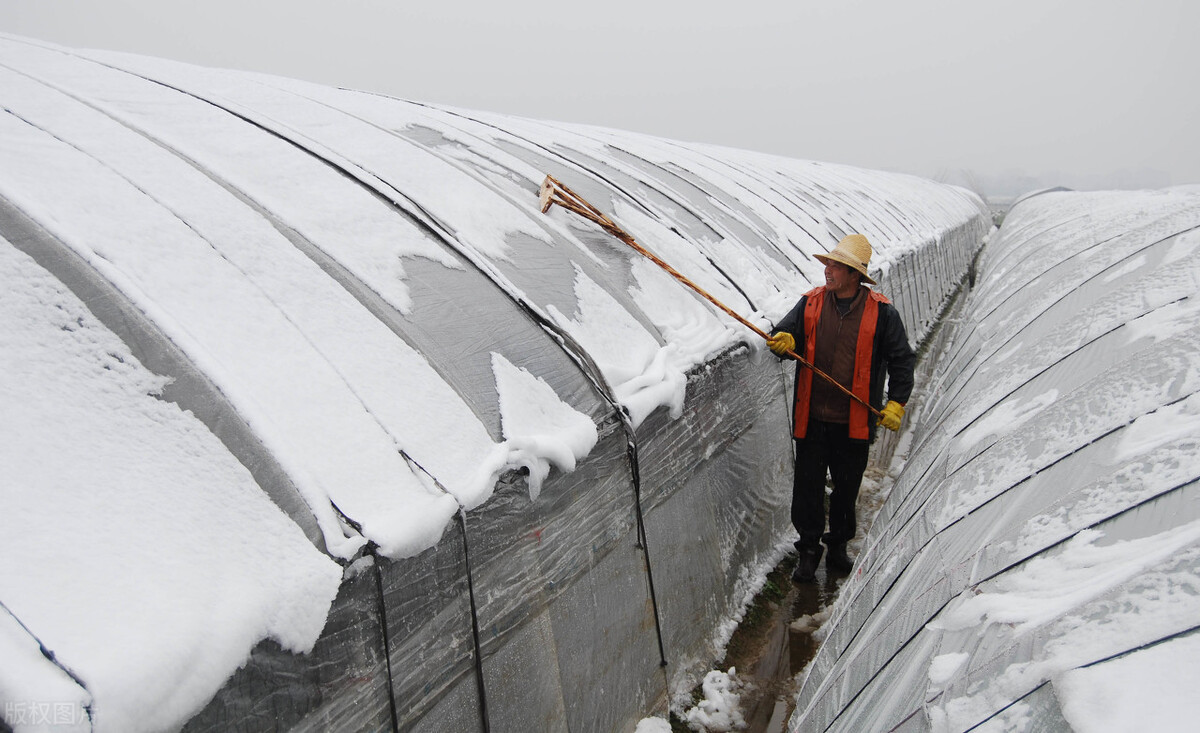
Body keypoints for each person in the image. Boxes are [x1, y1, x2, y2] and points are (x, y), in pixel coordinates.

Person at [767, 234, 915, 582]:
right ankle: (807, 549)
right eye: (828, 264)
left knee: (847, 489)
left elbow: (901, 360)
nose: (827, 270)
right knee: (808, 488)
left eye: (836, 266)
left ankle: (837, 548)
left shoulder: (882, 312)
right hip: (813, 418)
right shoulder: (811, 302)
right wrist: (785, 339)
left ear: (853, 274)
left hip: (855, 422)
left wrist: (896, 401)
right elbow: (785, 332)